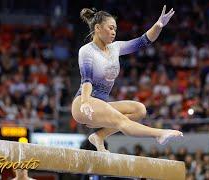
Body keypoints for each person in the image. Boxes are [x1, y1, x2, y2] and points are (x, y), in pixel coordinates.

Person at [71, 6, 183, 152]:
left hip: (101, 104)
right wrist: (85, 102)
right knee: (121, 121)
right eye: (110, 28)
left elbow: (143, 41)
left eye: (115, 29)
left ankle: (99, 136)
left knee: (139, 110)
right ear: (97, 28)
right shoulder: (87, 51)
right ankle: (158, 134)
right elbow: (87, 80)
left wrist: (158, 26)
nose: (113, 32)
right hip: (83, 104)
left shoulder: (115, 48)